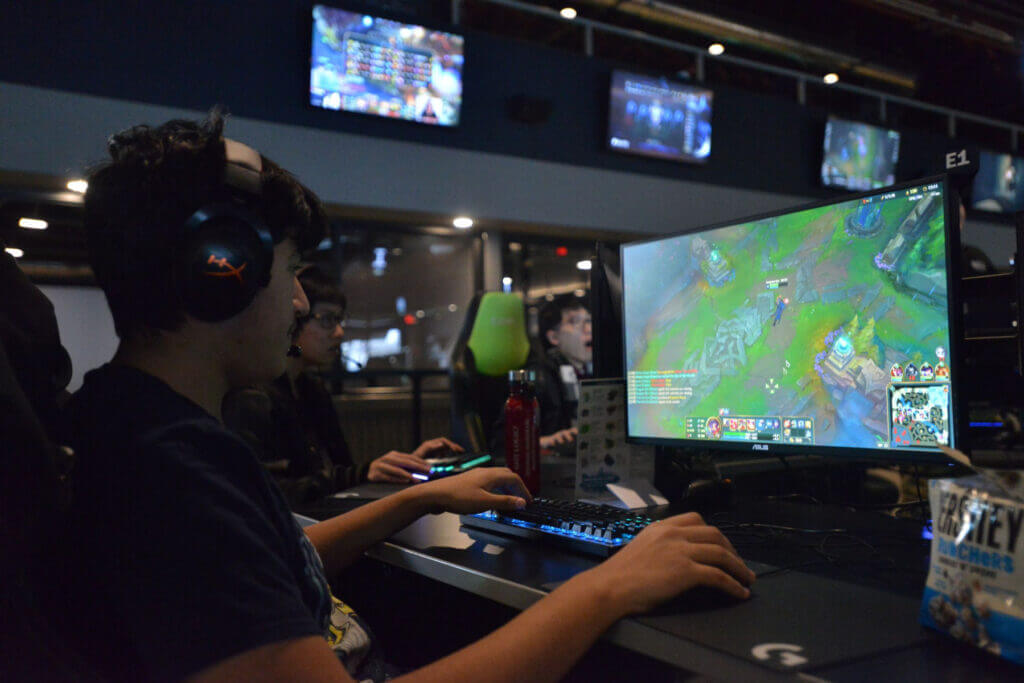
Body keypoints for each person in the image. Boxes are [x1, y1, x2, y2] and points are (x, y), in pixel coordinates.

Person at [55, 110, 754, 682]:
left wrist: (416, 500)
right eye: (291, 271)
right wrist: (608, 588)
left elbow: (269, 567)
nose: (300, 302)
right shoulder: (167, 473)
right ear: (220, 270)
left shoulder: (149, 426)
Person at [222, 265, 459, 508]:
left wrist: (402, 466)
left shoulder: (311, 388)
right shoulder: (255, 395)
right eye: (327, 320)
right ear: (294, 320)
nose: (339, 332)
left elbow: (339, 471)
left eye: (339, 320)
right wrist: (360, 473)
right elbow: (272, 493)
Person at [532, 293, 593, 450]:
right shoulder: (538, 378)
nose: (588, 329)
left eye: (588, 321)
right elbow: (503, 442)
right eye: (575, 322)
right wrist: (545, 441)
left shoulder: (592, 372)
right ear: (554, 337)